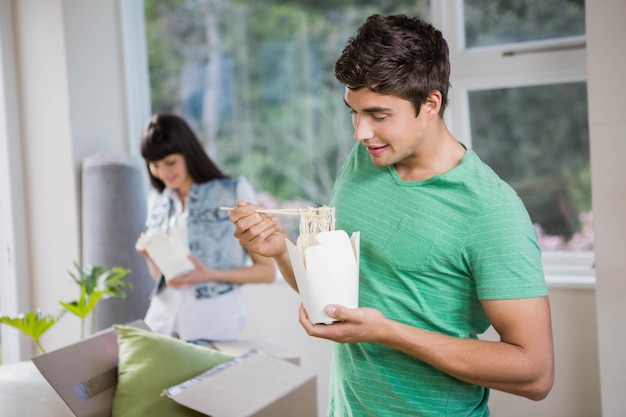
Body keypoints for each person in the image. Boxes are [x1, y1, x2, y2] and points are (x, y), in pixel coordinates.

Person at [228, 14, 554, 416]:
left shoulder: (490, 210)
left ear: (431, 103)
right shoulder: (364, 162)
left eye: (379, 116)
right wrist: (280, 250)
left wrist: (387, 333)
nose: (360, 133)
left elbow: (536, 374)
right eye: (354, 112)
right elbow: (335, 301)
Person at [135, 113, 275, 344]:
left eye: (170, 162)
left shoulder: (234, 192)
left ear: (188, 153)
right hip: (162, 323)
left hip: (213, 325)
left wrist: (210, 275)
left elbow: (267, 272)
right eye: (154, 165)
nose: (163, 173)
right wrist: (149, 256)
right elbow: (163, 278)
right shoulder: (156, 201)